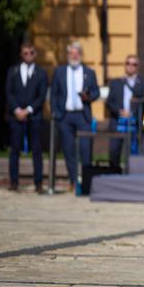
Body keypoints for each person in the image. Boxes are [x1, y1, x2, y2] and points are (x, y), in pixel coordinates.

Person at [50, 42, 100, 190]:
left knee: (85, 148)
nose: (74, 56)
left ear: (81, 55)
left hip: (82, 115)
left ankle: (85, 182)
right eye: (71, 53)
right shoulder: (59, 71)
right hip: (65, 116)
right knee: (68, 149)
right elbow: (54, 94)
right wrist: (56, 113)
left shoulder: (89, 72)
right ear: (67, 55)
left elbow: (96, 92)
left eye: (77, 53)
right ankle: (73, 180)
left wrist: (88, 97)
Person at [5, 42, 48, 192]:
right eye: (25, 53)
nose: (28, 55)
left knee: (36, 150)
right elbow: (9, 93)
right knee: (15, 149)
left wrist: (28, 110)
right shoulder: (13, 71)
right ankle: (14, 182)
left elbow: (41, 95)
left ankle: (38, 183)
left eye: (31, 52)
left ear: (35, 54)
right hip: (15, 116)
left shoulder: (41, 73)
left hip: (34, 117)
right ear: (21, 55)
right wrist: (17, 110)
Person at [105, 54, 144, 169]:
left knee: (133, 153)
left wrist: (132, 112)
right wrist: (120, 112)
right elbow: (109, 102)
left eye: (134, 64)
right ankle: (115, 176)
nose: (130, 66)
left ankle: (130, 179)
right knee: (114, 152)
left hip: (134, 123)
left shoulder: (143, 83)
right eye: (128, 63)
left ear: (137, 67)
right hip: (118, 121)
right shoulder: (116, 82)